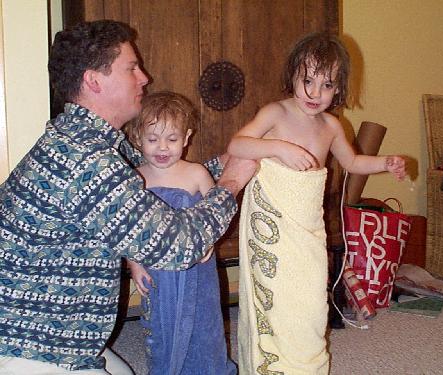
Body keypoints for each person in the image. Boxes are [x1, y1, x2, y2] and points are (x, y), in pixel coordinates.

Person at [0, 20, 256, 375]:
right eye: (131, 68)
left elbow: (163, 176)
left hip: (54, 337)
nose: (144, 78)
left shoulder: (87, 139)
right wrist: (229, 184)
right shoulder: (86, 162)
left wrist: (224, 163)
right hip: (33, 348)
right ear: (94, 80)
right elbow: (179, 246)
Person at [227, 32, 406, 374]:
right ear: (292, 75)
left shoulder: (332, 126)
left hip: (307, 228)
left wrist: (385, 163)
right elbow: (238, 145)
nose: (314, 93)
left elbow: (353, 163)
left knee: (309, 298)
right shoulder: (275, 113)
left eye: (327, 84)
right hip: (272, 225)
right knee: (277, 297)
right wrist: (278, 148)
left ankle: (306, 363)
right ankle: (275, 365)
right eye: (307, 80)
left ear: (338, 88)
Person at [124, 91, 237, 375]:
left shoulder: (196, 172)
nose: (162, 148)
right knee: (162, 328)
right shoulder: (135, 178)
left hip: (197, 271)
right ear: (137, 137)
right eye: (152, 139)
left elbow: (218, 211)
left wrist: (210, 241)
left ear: (186, 138)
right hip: (157, 272)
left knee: (204, 324)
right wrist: (134, 265)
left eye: (172, 139)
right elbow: (129, 229)